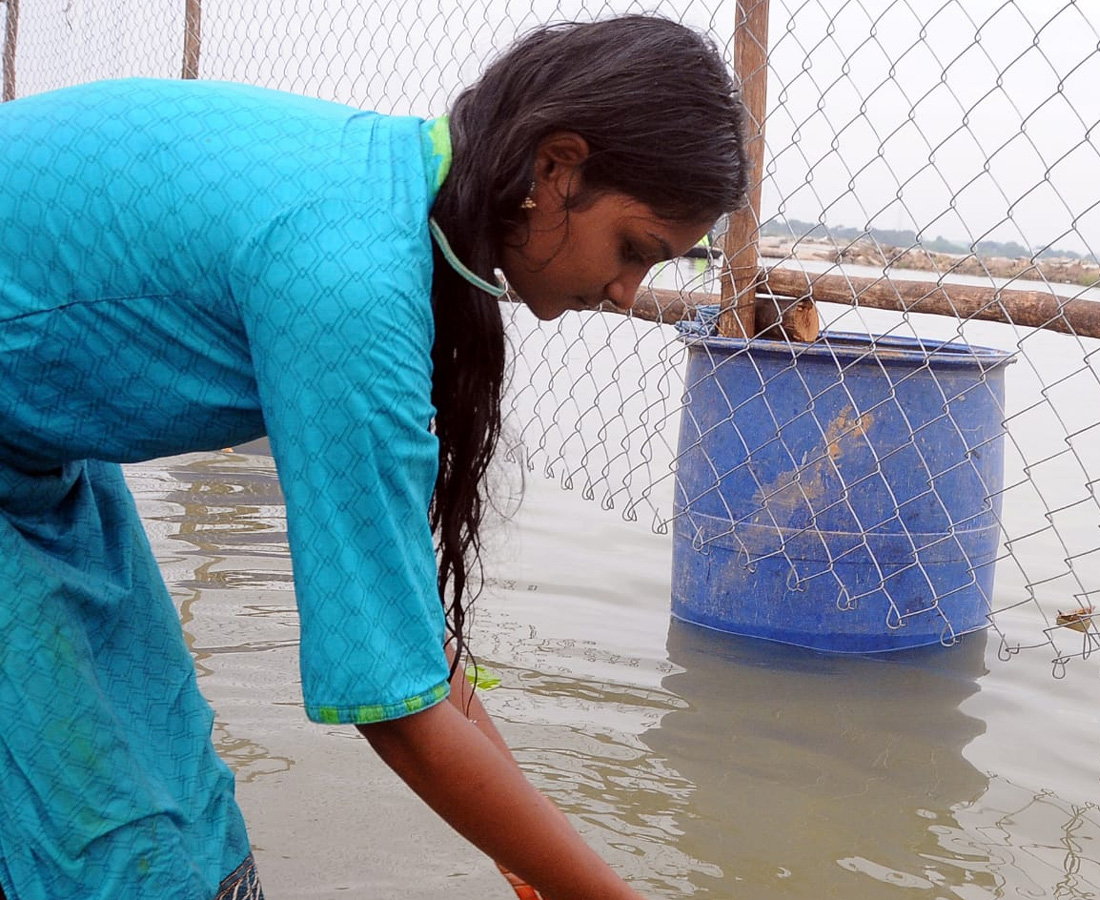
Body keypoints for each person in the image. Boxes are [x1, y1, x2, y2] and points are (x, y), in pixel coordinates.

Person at [0, 13, 747, 900]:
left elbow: (407, 638)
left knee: (180, 802)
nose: (628, 293)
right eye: (634, 250)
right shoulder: (351, 283)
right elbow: (396, 706)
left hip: (36, 456)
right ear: (555, 169)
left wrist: (525, 862)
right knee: (126, 857)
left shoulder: (391, 201)